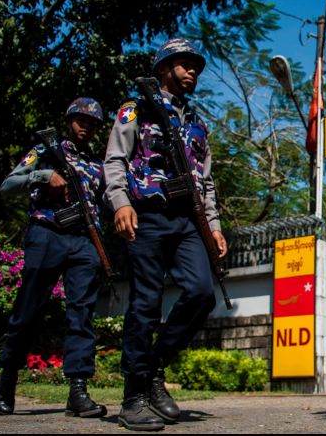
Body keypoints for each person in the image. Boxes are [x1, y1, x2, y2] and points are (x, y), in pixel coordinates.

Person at [104, 37, 228, 432]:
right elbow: (115, 158)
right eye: (183, 63)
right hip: (147, 215)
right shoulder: (134, 108)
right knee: (145, 302)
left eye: (195, 65)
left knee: (201, 293)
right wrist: (120, 201)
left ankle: (154, 369)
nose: (192, 70)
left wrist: (214, 226)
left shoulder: (197, 124)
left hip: (187, 221)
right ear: (163, 68)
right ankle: (133, 397)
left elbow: (204, 182)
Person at [0, 98, 108, 419]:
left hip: (85, 242)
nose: (85, 125)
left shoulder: (98, 165)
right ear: (69, 120)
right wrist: (43, 177)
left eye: (93, 122)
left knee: (82, 314)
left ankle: (78, 390)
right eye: (80, 119)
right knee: (29, 309)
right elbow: (8, 186)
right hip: (47, 234)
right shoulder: (44, 152)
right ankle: (8, 376)